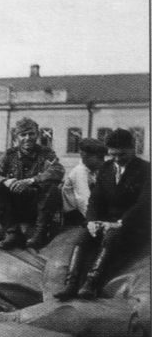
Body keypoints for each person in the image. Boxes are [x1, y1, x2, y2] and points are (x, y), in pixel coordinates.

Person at [54, 128, 150, 300]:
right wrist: (91, 221)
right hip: (105, 221)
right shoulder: (106, 167)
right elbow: (95, 200)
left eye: (122, 154)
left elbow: (143, 204)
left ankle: (92, 283)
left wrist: (120, 223)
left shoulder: (145, 169)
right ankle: (70, 284)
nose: (117, 159)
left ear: (133, 148)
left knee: (112, 236)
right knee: (84, 237)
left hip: (132, 225)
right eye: (113, 155)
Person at [0, 117, 64, 249]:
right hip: (14, 208)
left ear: (37, 135)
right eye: (23, 135)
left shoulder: (46, 153)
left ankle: (40, 233)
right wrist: (6, 181)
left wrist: (32, 181)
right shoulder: (9, 155)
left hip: (37, 207)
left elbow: (58, 170)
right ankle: (12, 232)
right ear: (16, 137)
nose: (28, 138)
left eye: (31, 134)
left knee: (52, 188)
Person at [61, 137, 107, 226]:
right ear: (84, 155)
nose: (102, 161)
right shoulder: (80, 172)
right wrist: (95, 222)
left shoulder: (93, 171)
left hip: (86, 213)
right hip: (76, 217)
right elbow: (83, 200)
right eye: (99, 158)